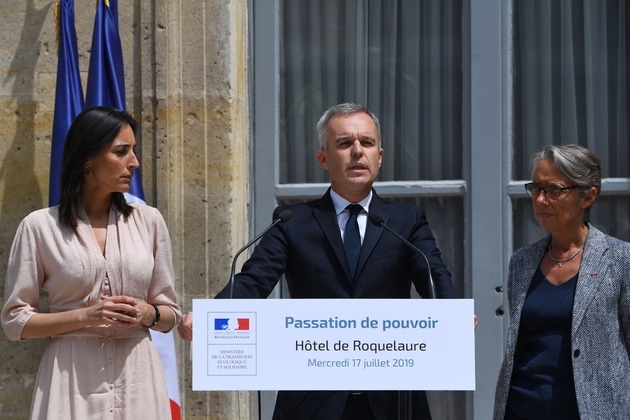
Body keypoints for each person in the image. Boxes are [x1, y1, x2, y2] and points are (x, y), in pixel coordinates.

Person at [179, 103, 460, 419]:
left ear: (379, 156)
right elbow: (253, 280)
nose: (357, 152)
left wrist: (453, 316)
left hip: (392, 400)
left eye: (366, 143)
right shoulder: (292, 222)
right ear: (323, 158)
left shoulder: (406, 222)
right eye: (344, 143)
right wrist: (214, 316)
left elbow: (434, 275)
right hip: (313, 400)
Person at [1, 107, 181, 420]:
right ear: (88, 158)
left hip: (138, 378)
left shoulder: (150, 221)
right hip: (70, 380)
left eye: (134, 151)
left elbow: (170, 316)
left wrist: (147, 313)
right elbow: (16, 323)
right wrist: (87, 315)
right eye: (122, 152)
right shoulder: (39, 227)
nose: (134, 163)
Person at [493, 144, 630, 419]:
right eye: (536, 188)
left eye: (553, 190)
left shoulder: (620, 259)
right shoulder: (522, 262)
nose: (540, 200)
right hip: (521, 409)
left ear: (587, 196)